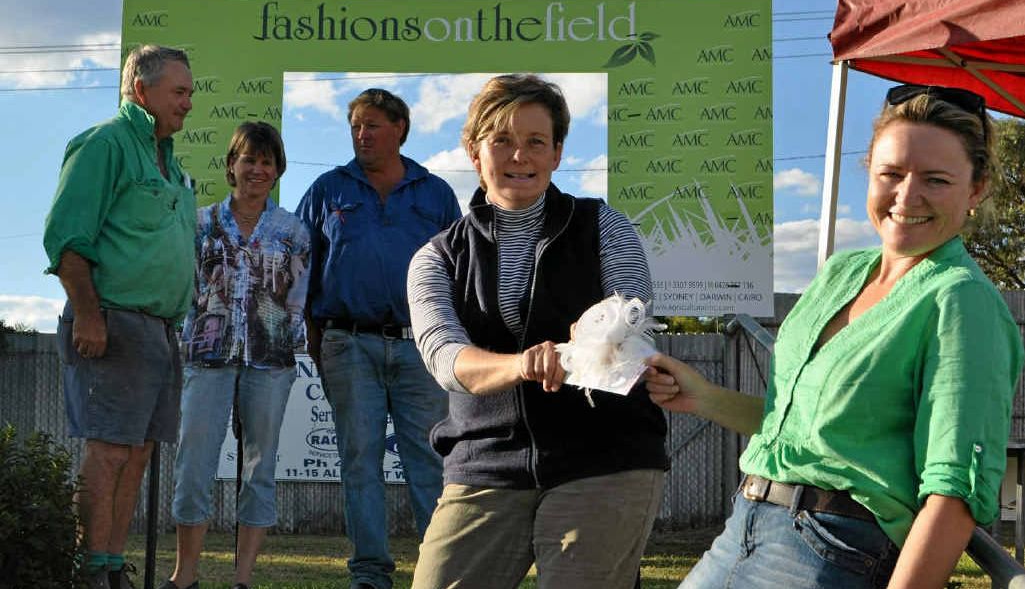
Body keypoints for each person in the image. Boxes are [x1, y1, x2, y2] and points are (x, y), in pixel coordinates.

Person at [646, 84, 1024, 589]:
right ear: (868, 169)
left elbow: (953, 495)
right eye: (891, 174)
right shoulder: (842, 273)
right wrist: (703, 396)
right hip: (742, 527)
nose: (907, 197)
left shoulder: (960, 301)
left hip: (835, 551)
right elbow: (804, 429)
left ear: (975, 190)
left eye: (936, 180)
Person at [407, 74, 668, 589]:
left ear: (557, 153)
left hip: (604, 456)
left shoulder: (605, 227)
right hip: (485, 462)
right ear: (474, 151)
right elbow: (446, 358)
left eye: (535, 142)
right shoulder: (434, 257)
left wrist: (599, 337)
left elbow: (632, 321)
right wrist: (522, 364)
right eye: (501, 140)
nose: (519, 156)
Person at [43, 44, 196, 589]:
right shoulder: (105, 144)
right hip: (111, 321)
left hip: (159, 329)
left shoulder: (169, 160)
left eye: (190, 93)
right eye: (179, 92)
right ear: (141, 91)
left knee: (137, 453)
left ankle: (111, 568)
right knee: (108, 451)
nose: (188, 104)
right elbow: (66, 239)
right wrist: (88, 315)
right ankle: (89, 571)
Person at [296, 88, 461, 589]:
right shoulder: (328, 189)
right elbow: (300, 269)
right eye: (355, 126)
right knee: (359, 461)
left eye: (372, 125)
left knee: (430, 460)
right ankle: (369, 574)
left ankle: (442, 570)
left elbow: (459, 272)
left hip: (420, 345)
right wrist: (314, 339)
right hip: (347, 343)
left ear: (400, 130)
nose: (362, 135)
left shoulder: (433, 191)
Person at [159, 122, 310, 589]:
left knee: (260, 469)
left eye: (267, 162)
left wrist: (289, 338)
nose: (258, 170)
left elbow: (299, 297)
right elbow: (184, 287)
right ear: (231, 165)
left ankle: (242, 578)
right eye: (249, 159)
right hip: (208, 358)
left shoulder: (293, 231)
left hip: (271, 361)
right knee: (193, 465)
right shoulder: (201, 223)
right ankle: (185, 576)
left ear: (278, 169)